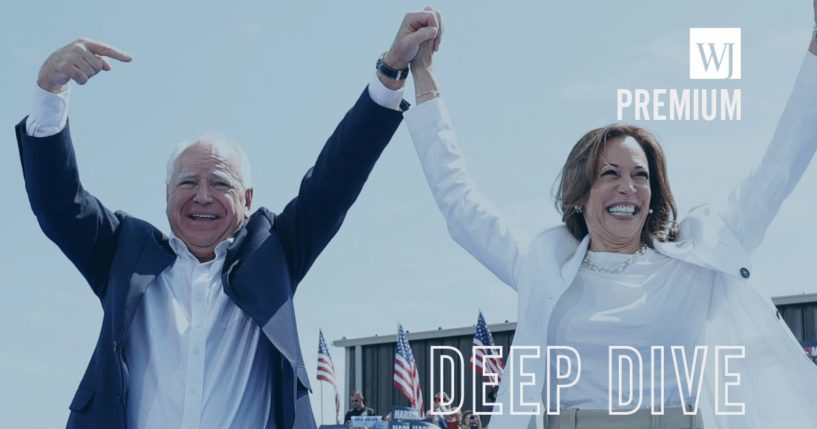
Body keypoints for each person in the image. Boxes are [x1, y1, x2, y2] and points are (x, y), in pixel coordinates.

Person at [15, 10, 442, 429]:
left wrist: (390, 71)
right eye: (186, 182)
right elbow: (58, 203)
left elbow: (336, 179)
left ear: (247, 199)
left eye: (219, 182)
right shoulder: (122, 253)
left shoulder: (275, 254)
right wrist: (50, 90)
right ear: (166, 197)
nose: (202, 195)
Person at [402, 3, 817, 429]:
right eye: (610, 173)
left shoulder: (693, 263)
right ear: (580, 195)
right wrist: (423, 74)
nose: (628, 187)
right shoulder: (539, 262)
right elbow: (460, 203)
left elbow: (778, 170)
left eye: (641, 175)